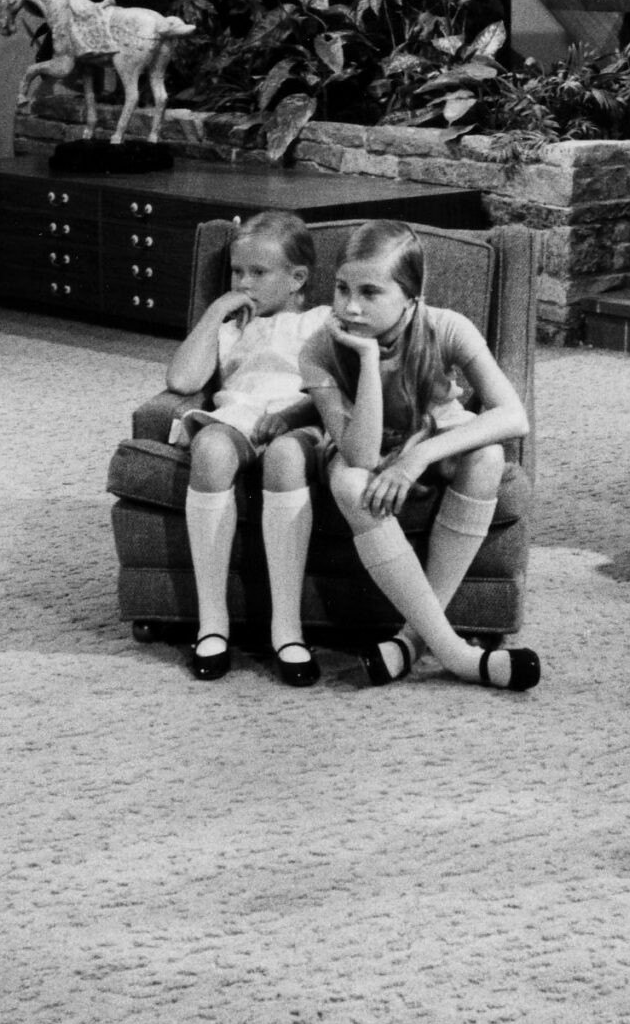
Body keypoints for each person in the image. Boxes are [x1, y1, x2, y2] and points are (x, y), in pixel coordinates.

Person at [303, 220, 540, 692]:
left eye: (371, 292)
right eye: (342, 288)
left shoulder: (446, 326)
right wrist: (368, 361)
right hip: (365, 447)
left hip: (433, 440)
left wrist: (417, 458)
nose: (350, 306)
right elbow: (363, 456)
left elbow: (513, 415)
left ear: (410, 297)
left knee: (488, 457)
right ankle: (456, 654)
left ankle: (412, 640)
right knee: (350, 482)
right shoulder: (320, 347)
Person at [165, 211, 331, 687]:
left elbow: (337, 383)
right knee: (212, 450)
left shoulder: (320, 321)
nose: (244, 282)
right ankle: (212, 623)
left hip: (297, 418)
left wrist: (298, 417)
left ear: (297, 278)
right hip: (238, 416)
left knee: (285, 458)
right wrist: (216, 312)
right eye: (237, 271)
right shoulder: (231, 327)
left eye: (259, 273)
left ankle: (287, 628)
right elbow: (181, 380)